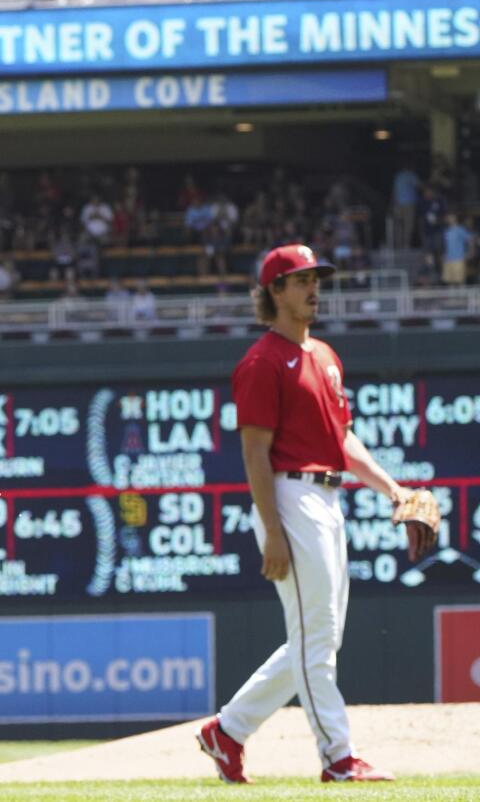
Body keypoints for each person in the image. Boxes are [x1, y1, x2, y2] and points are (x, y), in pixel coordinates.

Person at [197, 245, 430, 785]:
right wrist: (273, 530)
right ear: (274, 291)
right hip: (289, 496)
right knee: (316, 638)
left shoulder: (324, 356)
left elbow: (341, 440)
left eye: (316, 279)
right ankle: (338, 757)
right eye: (301, 280)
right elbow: (255, 452)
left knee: (318, 638)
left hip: (327, 495)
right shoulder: (260, 362)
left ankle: (227, 731)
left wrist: (392, 488)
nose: (313, 288)